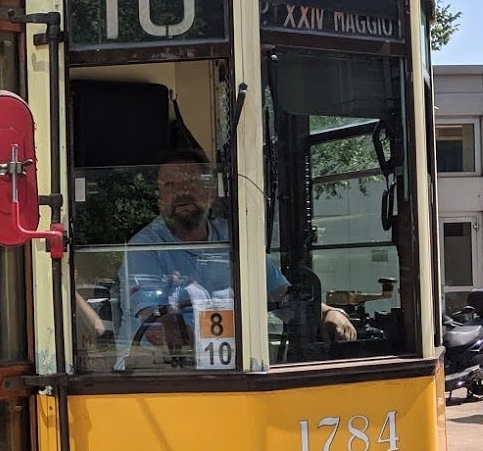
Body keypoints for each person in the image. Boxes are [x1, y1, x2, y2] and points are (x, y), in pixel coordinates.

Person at [117, 150, 354, 367]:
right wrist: (227, 343)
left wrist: (327, 313)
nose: (182, 193)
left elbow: (281, 296)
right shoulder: (144, 247)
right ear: (160, 197)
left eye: (191, 182)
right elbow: (160, 328)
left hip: (233, 367)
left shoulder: (234, 237)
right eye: (170, 185)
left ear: (210, 192)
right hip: (158, 373)